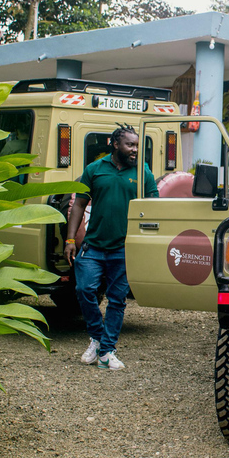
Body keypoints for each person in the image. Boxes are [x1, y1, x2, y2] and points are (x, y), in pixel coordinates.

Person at [64, 124, 158, 370]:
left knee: (117, 300)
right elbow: (78, 205)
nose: (135, 150)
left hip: (124, 248)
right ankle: (96, 337)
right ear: (115, 145)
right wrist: (70, 239)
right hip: (93, 245)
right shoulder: (94, 169)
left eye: (137, 145)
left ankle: (106, 351)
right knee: (84, 290)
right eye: (130, 145)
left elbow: (154, 207)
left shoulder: (142, 172)